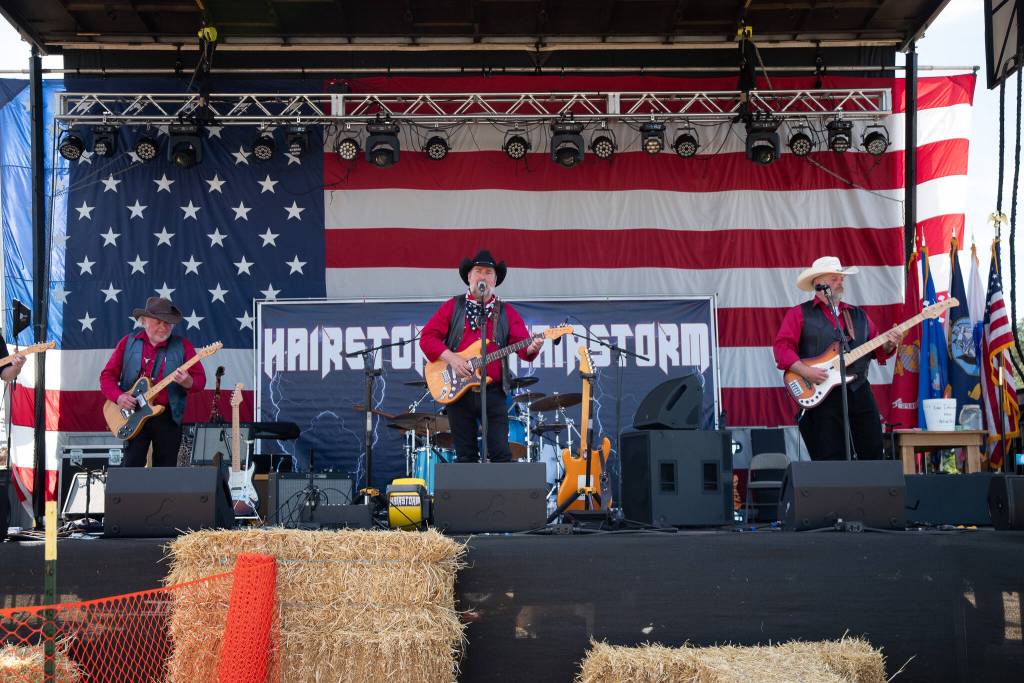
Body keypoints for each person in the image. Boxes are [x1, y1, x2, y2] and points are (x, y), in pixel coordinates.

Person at [420, 250, 545, 463]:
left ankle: (501, 497)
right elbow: (427, 338)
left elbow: (524, 350)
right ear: (469, 277)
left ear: (495, 280)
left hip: (493, 392)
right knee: (465, 455)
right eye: (478, 271)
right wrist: (452, 358)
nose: (483, 276)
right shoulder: (453, 306)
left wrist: (534, 346)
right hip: (457, 392)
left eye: (488, 273)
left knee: (501, 454)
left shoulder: (506, 312)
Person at [773, 256, 901, 460]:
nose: (840, 282)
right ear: (818, 284)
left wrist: (890, 343)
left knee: (873, 448)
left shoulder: (858, 316)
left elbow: (879, 349)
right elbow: (782, 349)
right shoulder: (799, 314)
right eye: (834, 279)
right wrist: (806, 371)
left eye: (841, 278)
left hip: (858, 390)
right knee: (831, 456)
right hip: (823, 394)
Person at [99, 297, 206, 467]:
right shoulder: (128, 343)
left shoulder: (183, 346)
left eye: (168, 323)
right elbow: (107, 377)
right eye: (158, 322)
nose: (164, 327)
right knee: (131, 468)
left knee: (165, 471)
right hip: (133, 413)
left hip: (168, 416)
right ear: (144, 321)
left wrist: (187, 381)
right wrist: (119, 397)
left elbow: (200, 381)